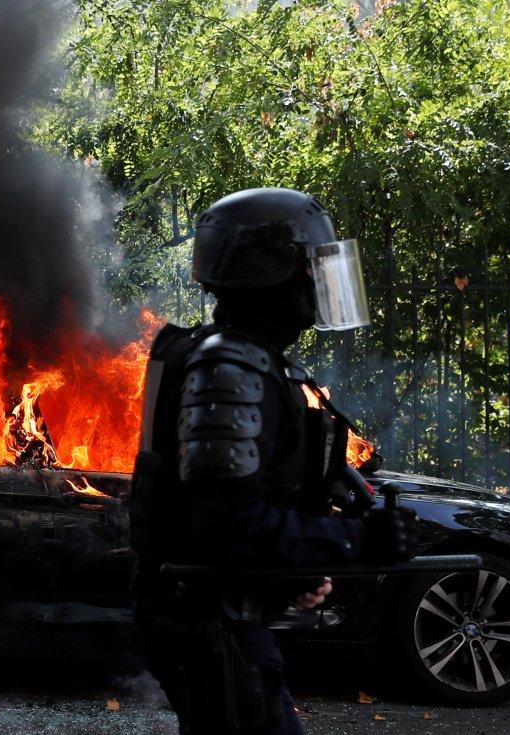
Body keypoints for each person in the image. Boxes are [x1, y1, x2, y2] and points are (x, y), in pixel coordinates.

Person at [130, 187, 417, 734]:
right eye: (311, 269)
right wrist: (356, 542)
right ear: (275, 275)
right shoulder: (229, 368)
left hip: (220, 618)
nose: (317, 285)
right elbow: (225, 525)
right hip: (208, 623)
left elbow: (243, 510)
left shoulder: (246, 362)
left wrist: (293, 572)